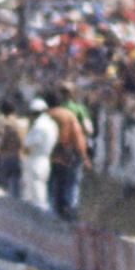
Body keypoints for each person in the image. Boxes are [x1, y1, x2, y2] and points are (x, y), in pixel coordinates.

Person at [45, 90, 90, 219]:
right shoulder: (68, 115)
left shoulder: (46, 115)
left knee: (54, 183)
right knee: (71, 183)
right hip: (68, 152)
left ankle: (54, 211)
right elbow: (78, 136)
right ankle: (70, 211)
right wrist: (84, 156)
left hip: (51, 154)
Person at [22, 97, 57, 210]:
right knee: (41, 190)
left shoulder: (39, 126)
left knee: (36, 194)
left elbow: (28, 146)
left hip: (36, 159)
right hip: (46, 159)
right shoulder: (51, 124)